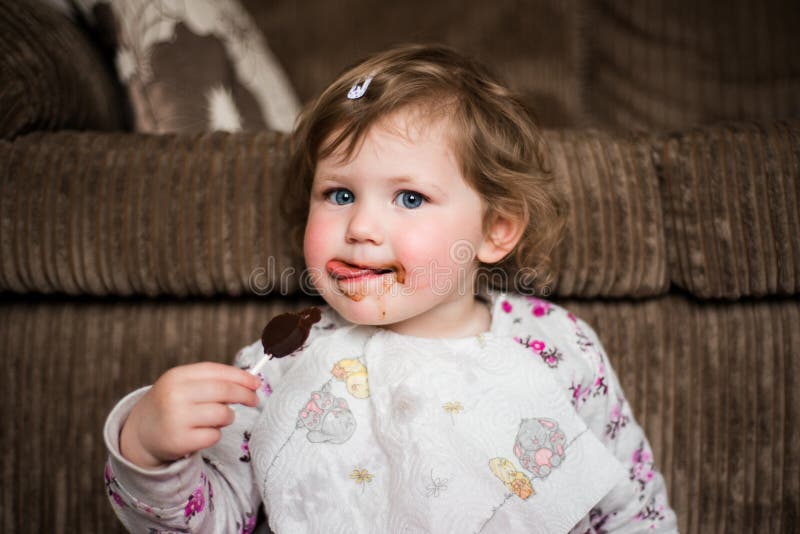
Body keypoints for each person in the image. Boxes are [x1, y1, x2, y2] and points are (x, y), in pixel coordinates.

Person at [103, 44, 677, 533]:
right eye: (339, 194)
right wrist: (149, 452)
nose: (361, 228)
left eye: (409, 198)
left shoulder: (558, 346)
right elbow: (217, 517)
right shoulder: (282, 365)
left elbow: (630, 508)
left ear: (497, 229)